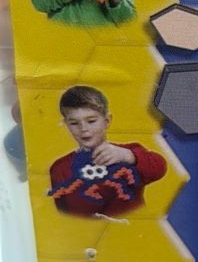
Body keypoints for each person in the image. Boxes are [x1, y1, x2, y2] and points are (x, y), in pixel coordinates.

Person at [48, 86, 165, 217]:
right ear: (66, 125)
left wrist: (128, 156)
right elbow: (63, 214)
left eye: (91, 121)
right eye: (74, 123)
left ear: (107, 121)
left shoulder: (128, 153)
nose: (83, 128)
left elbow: (160, 167)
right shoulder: (59, 168)